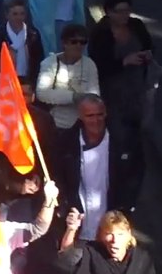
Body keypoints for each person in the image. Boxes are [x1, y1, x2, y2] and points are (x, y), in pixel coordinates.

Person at [55, 94, 144, 246]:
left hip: (111, 218)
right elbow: (58, 177)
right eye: (90, 116)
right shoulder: (66, 143)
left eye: (100, 114)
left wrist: (126, 206)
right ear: (80, 116)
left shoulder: (124, 140)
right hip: (79, 220)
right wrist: (65, 205)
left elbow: (136, 173)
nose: (96, 120)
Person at [88, 0, 157, 146]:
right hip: (112, 91)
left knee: (139, 128)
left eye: (127, 10)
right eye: (119, 12)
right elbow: (98, 65)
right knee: (118, 133)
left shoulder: (136, 25)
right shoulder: (101, 33)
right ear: (108, 12)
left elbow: (149, 45)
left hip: (138, 87)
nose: (124, 15)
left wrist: (148, 54)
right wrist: (124, 61)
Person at [37, 25, 102, 130]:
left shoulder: (90, 64)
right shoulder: (49, 63)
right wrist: (73, 97)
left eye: (83, 42)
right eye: (74, 42)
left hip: (81, 125)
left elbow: (94, 95)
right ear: (64, 43)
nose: (78, 45)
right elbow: (42, 93)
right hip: (54, 124)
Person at [58, 210, 156, 274]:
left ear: (128, 235)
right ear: (101, 235)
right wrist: (71, 229)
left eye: (120, 235)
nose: (114, 240)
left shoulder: (141, 259)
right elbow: (67, 256)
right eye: (109, 234)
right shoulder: (92, 252)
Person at [0, 0, 44, 89]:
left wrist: (33, 83)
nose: (19, 18)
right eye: (15, 14)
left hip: (27, 81)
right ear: (7, 15)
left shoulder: (33, 34)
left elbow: (38, 60)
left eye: (22, 14)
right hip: (4, 82)